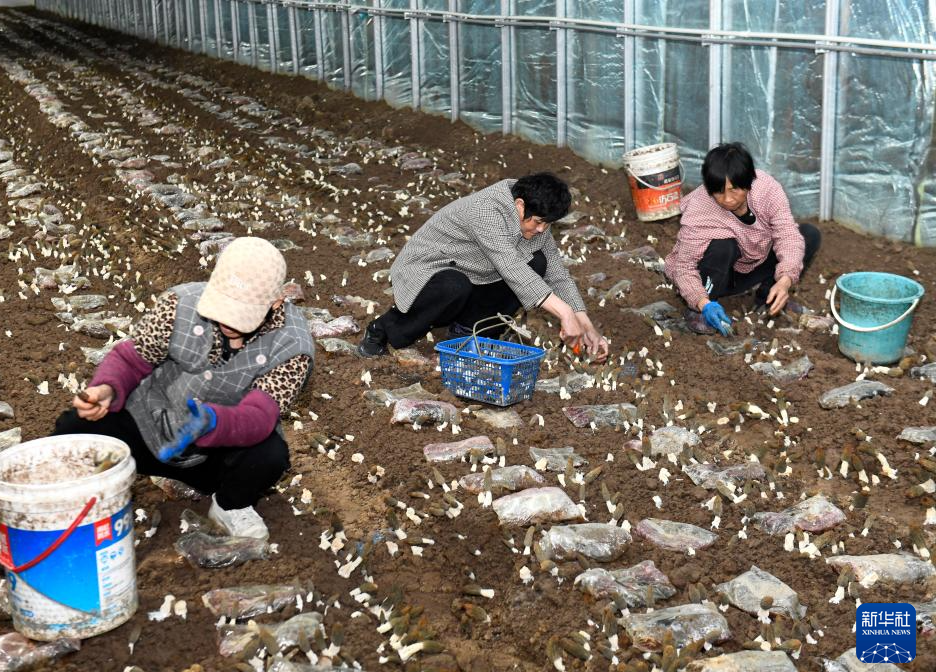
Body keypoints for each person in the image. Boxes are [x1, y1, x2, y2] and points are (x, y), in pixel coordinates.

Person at [53, 237, 314, 541]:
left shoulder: (293, 346)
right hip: (150, 424)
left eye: (241, 312)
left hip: (214, 453)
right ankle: (62, 501)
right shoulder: (180, 304)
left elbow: (259, 415)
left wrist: (213, 423)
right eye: (223, 305)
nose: (227, 320)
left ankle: (230, 505)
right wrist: (107, 388)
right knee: (75, 428)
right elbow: (132, 358)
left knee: (269, 456)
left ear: (277, 301)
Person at [357, 173, 609, 361]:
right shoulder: (486, 210)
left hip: (475, 271)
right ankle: (383, 329)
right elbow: (511, 267)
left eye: (548, 223)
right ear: (520, 205)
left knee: (537, 261)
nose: (542, 229)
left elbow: (557, 274)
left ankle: (469, 334)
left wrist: (586, 325)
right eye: (539, 222)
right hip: (429, 268)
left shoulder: (534, 219)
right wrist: (564, 313)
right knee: (454, 285)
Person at [664, 142, 821, 336]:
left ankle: (769, 297)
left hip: (753, 264)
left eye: (734, 190)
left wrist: (785, 281)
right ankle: (700, 310)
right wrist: (702, 303)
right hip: (717, 275)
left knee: (808, 235)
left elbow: (787, 234)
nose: (727, 199)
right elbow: (684, 267)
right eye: (719, 191)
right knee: (723, 246)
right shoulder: (700, 208)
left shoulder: (766, 190)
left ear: (748, 182)